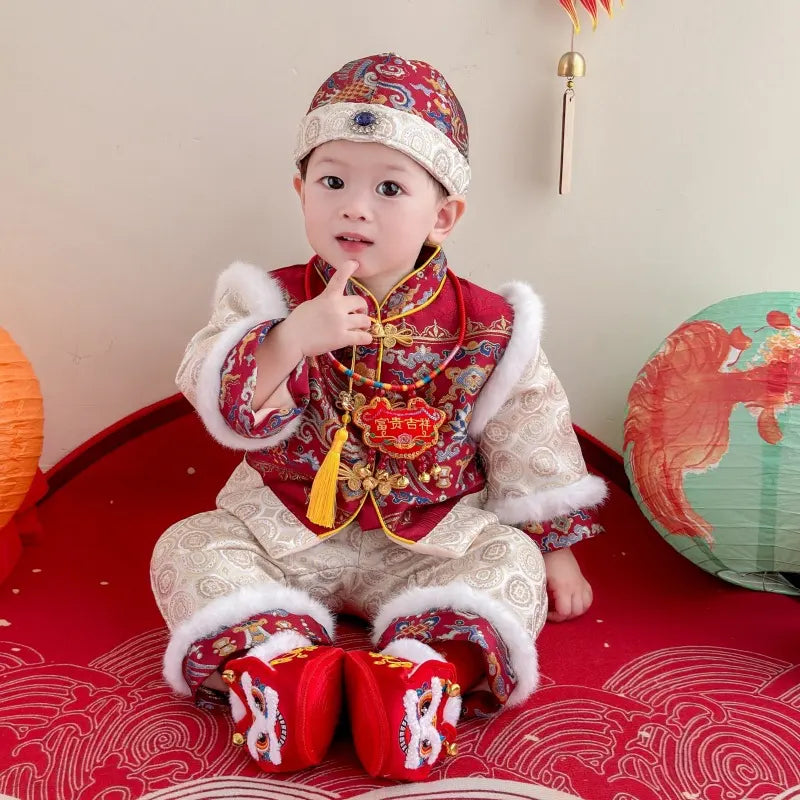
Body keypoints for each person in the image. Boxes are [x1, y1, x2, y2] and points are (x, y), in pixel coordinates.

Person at [151, 53, 607, 781]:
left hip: (430, 540)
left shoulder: (489, 323)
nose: (354, 207)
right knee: (189, 545)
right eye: (332, 182)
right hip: (287, 531)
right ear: (301, 192)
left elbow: (530, 431)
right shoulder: (266, 300)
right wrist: (290, 339)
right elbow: (216, 394)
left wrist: (553, 548)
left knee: (508, 564)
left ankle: (422, 676)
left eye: (389, 188)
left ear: (443, 215)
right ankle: (281, 672)